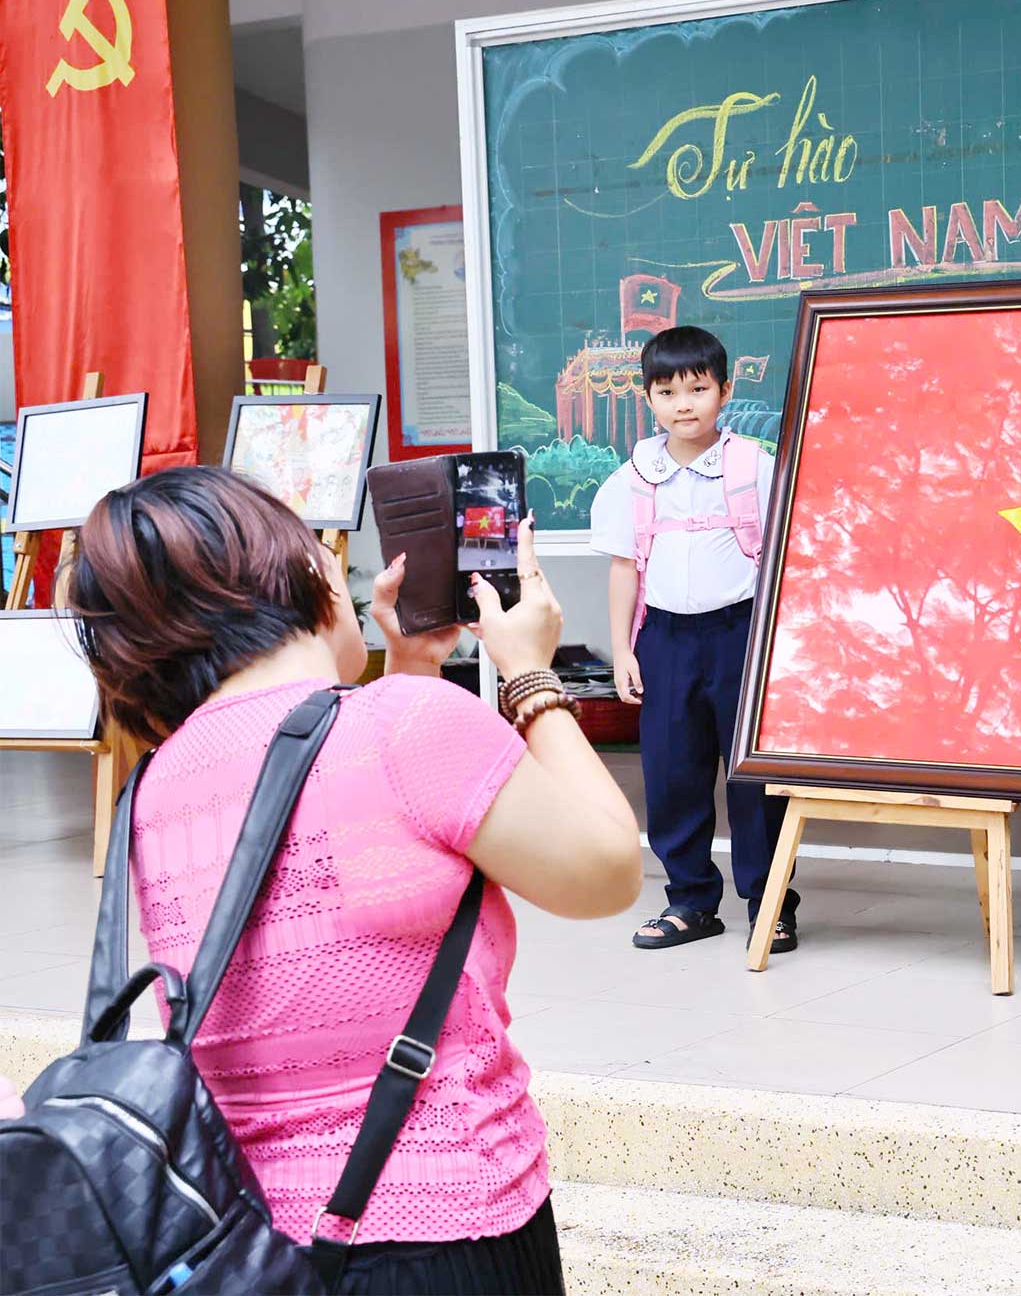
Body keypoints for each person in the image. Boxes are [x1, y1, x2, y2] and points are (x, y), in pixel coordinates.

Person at [66, 466, 642, 1294]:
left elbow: (362, 881)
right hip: (450, 1224)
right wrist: (529, 677)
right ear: (305, 577)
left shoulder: (154, 784)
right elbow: (607, 870)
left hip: (247, 1245)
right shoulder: (405, 727)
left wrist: (408, 666)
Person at [589, 325, 797, 952]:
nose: (685, 404)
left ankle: (771, 904)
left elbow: (786, 557)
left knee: (753, 778)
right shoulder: (631, 478)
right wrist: (624, 648)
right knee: (672, 772)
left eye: (699, 389)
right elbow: (624, 567)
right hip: (665, 641)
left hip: (742, 635)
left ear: (724, 391)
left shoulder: (755, 468)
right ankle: (690, 902)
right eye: (668, 391)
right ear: (648, 399)